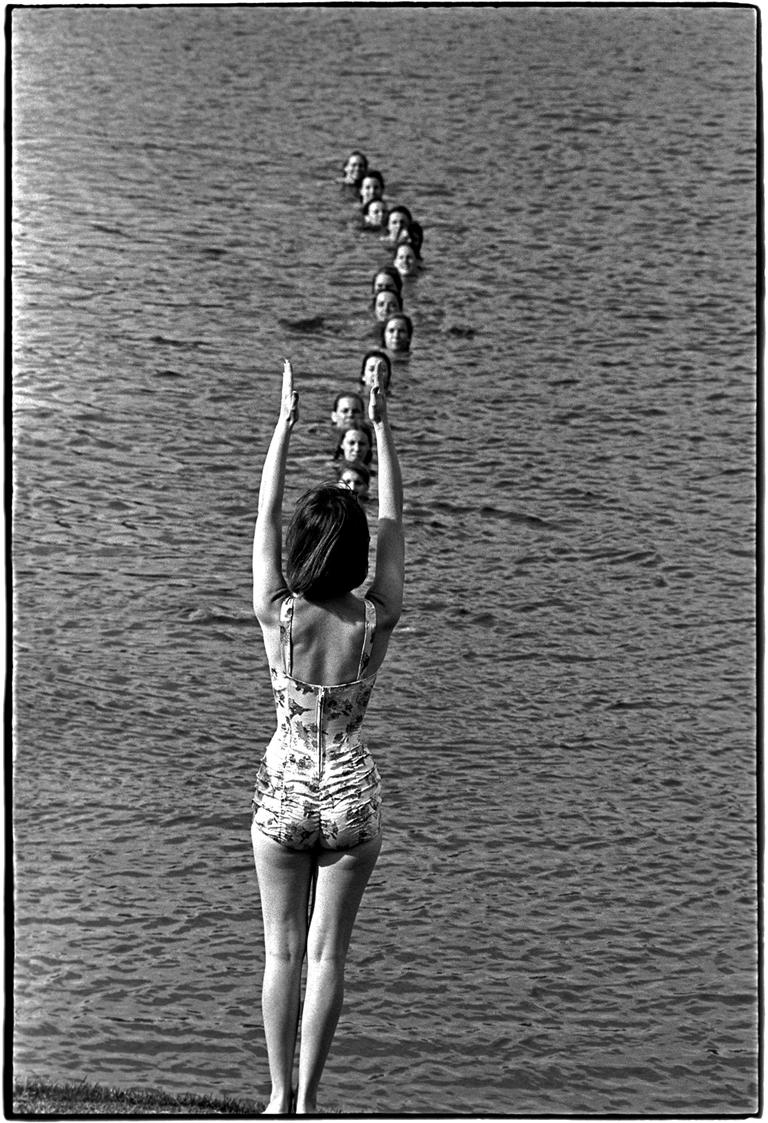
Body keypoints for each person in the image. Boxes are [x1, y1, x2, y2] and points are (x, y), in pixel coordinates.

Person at [251, 360, 404, 1115]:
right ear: (353, 558)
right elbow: (394, 528)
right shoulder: (373, 619)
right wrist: (381, 430)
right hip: (350, 797)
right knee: (326, 956)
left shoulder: (277, 615)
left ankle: (277, 1098)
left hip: (284, 793)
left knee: (282, 952)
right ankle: (309, 1100)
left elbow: (265, 516)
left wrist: (282, 427)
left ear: (304, 549)